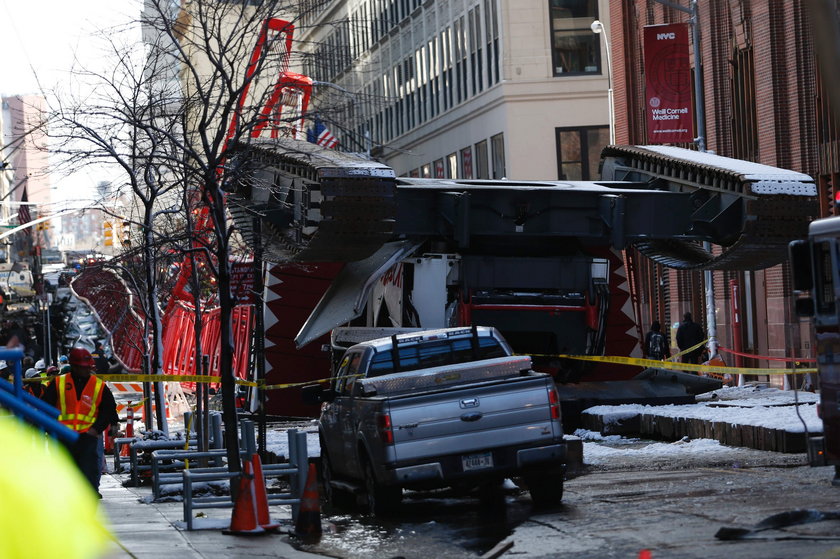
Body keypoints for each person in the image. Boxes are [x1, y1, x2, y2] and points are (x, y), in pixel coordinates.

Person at [41, 347, 119, 496]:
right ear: (74, 366)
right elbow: (46, 406)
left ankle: (89, 495)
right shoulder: (58, 383)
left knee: (89, 469)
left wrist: (96, 429)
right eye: (84, 368)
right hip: (63, 436)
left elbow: (108, 409)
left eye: (88, 367)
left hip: (88, 436)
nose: (87, 371)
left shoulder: (98, 385)